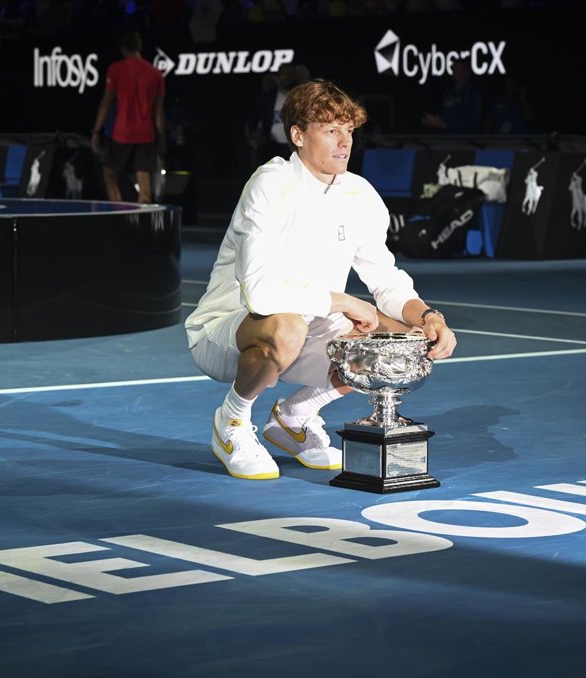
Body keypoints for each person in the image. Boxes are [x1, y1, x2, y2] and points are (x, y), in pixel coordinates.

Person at [186, 79, 458, 480]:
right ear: (298, 135)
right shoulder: (270, 185)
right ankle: (232, 422)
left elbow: (386, 279)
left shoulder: (360, 195)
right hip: (228, 330)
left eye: (349, 130)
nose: (344, 142)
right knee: (287, 327)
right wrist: (344, 301)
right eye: (331, 130)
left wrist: (429, 317)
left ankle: (294, 417)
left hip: (309, 325)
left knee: (399, 341)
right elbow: (261, 294)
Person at [91, 31, 165, 203]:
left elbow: (106, 103)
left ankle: (118, 213)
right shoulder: (156, 74)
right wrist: (161, 139)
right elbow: (159, 112)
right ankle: (143, 217)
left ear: (123, 49)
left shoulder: (115, 70)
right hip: (146, 134)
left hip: (121, 133)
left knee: (109, 173)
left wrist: (96, 131)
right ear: (139, 47)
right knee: (144, 185)